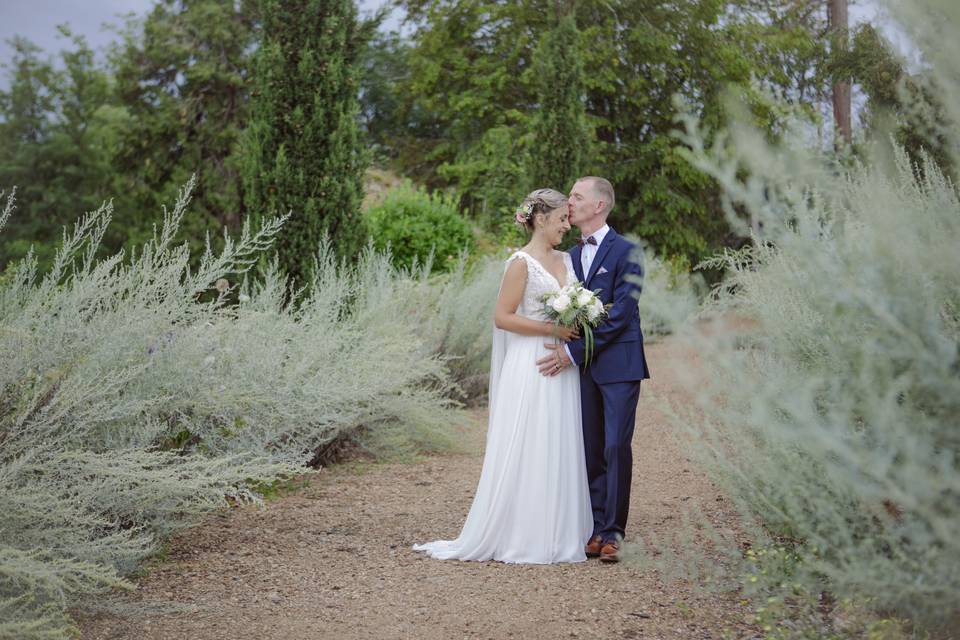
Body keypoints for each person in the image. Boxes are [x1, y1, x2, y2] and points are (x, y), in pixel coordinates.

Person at [412, 188, 593, 564]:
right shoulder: (520, 263)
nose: (567, 226)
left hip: (561, 364)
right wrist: (552, 331)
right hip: (530, 362)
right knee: (529, 442)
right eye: (561, 219)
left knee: (556, 439)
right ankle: (523, 533)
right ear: (540, 220)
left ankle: (559, 530)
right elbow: (503, 317)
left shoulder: (567, 259)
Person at [536, 176, 649, 563]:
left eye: (577, 196)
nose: (570, 202)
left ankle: (614, 531)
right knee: (590, 447)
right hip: (582, 370)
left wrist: (572, 350)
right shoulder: (568, 256)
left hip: (619, 364)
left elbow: (620, 313)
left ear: (599, 205)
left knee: (616, 445)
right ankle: (595, 526)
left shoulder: (628, 252)